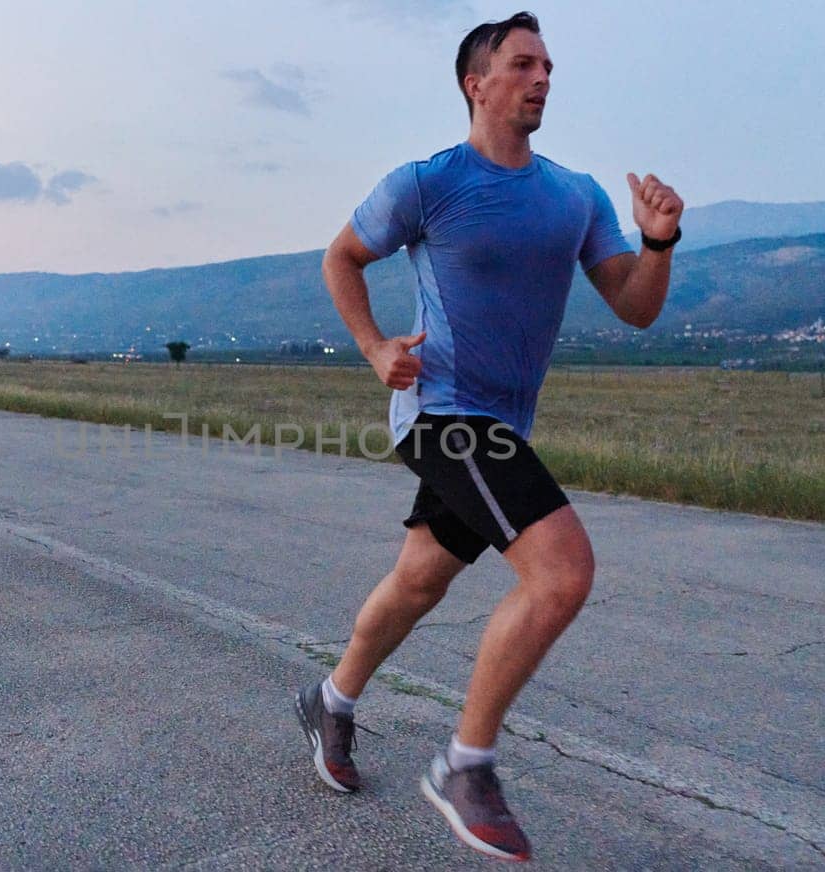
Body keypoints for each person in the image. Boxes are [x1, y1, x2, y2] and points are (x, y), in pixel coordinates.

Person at [296, 11, 683, 862]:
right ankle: (465, 766)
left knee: (420, 580)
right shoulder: (427, 183)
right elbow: (341, 257)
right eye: (523, 64)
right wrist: (374, 348)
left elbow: (637, 304)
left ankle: (331, 699)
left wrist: (659, 240)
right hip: (442, 413)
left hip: (503, 422)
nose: (542, 78)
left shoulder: (573, 195)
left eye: (549, 65)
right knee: (563, 572)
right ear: (477, 83)